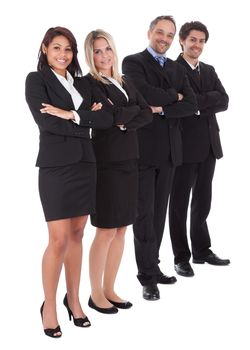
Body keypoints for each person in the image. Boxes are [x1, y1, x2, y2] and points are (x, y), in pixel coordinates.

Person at [25, 26, 113, 337]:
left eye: (69, 49)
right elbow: (46, 123)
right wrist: (81, 116)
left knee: (78, 233)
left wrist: (71, 114)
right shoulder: (36, 81)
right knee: (58, 239)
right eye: (57, 48)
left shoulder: (82, 83)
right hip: (56, 168)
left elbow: (103, 120)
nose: (63, 54)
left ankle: (73, 299)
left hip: (86, 164)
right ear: (45, 48)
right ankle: (49, 305)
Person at [122, 16, 197, 301]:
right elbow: (142, 94)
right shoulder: (133, 62)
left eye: (170, 34)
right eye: (160, 33)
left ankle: (153, 266)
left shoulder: (178, 68)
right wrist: (173, 96)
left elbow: (190, 104)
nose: (165, 39)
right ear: (150, 32)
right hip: (142, 151)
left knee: (159, 214)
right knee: (144, 215)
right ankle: (147, 278)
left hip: (169, 153)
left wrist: (164, 107)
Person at [83, 29, 153, 313]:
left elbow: (146, 112)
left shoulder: (124, 81)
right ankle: (95, 293)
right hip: (107, 162)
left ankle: (110, 287)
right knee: (106, 229)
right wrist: (123, 115)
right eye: (97, 51)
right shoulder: (88, 83)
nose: (103, 55)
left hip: (129, 160)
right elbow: (103, 118)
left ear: (114, 50)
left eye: (107, 49)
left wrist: (121, 119)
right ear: (90, 54)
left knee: (122, 228)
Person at [168, 21, 230, 277]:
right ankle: (181, 257)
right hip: (183, 147)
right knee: (180, 203)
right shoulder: (172, 70)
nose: (197, 45)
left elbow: (224, 100)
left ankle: (202, 250)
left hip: (208, 146)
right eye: (193, 39)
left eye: (202, 41)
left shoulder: (209, 69)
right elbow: (178, 104)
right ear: (181, 40)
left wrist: (194, 102)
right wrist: (203, 101)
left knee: (203, 201)